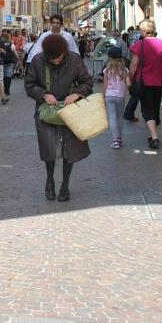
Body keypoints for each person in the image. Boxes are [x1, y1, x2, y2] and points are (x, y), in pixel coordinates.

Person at [25, 34, 94, 202]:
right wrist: (43, 95)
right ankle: (50, 181)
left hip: (70, 111)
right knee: (49, 149)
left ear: (64, 52)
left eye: (59, 58)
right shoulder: (38, 61)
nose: (56, 61)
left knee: (69, 149)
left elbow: (87, 82)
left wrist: (77, 93)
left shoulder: (74, 60)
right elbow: (29, 85)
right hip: (47, 111)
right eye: (52, 58)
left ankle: (65, 185)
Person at [126, 19, 162, 150]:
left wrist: (129, 77)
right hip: (159, 82)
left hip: (144, 82)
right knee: (155, 107)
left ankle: (154, 138)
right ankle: (153, 131)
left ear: (143, 31)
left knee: (147, 109)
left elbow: (134, 64)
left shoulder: (139, 45)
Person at [103, 46, 129, 149]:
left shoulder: (107, 70)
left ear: (110, 58)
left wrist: (103, 95)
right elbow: (129, 83)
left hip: (109, 96)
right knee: (119, 117)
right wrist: (125, 89)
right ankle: (120, 138)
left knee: (112, 118)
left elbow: (105, 85)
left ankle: (115, 141)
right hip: (120, 96)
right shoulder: (125, 70)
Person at [2, 30, 19, 101]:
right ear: (9, 38)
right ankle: (7, 90)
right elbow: (16, 54)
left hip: (2, 62)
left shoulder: (1, 44)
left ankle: (4, 89)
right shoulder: (12, 45)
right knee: (8, 76)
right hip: (10, 62)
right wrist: (18, 60)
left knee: (4, 76)